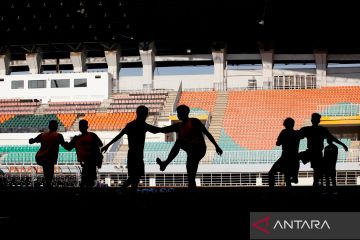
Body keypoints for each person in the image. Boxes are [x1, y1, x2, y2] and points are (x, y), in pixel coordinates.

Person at [156, 104, 223, 189]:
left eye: (179, 113)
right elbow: (162, 130)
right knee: (190, 173)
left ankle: (165, 163)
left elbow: (207, 133)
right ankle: (191, 187)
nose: (177, 115)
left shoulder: (194, 122)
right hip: (190, 150)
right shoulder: (178, 126)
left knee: (180, 144)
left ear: (185, 113)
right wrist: (146, 127)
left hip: (199, 149)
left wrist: (216, 146)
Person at [101, 105, 162, 191]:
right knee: (135, 178)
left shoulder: (130, 125)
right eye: (146, 114)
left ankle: (128, 192)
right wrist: (173, 128)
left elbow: (118, 136)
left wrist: (107, 145)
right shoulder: (143, 126)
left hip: (132, 154)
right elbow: (157, 130)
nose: (146, 116)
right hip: (137, 155)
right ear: (143, 114)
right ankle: (121, 190)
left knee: (135, 178)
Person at [298, 113, 348, 187]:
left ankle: (312, 183)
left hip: (312, 152)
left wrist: (342, 144)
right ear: (319, 121)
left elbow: (297, 135)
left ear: (312, 120)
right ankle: (314, 183)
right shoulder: (321, 130)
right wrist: (342, 144)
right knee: (316, 171)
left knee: (296, 158)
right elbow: (332, 138)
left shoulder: (308, 129)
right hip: (316, 152)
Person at [65, 119, 103, 188]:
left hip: (90, 161)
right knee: (88, 180)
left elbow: (68, 147)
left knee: (85, 180)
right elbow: (100, 144)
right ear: (87, 127)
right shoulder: (92, 135)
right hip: (90, 162)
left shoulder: (77, 139)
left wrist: (62, 142)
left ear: (80, 128)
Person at [29, 120, 67, 188]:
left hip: (40, 157)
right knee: (49, 172)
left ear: (49, 127)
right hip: (49, 158)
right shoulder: (58, 136)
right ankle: (48, 185)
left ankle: (48, 184)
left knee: (47, 172)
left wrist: (31, 140)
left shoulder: (42, 135)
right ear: (57, 127)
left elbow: (32, 141)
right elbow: (66, 146)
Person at [268, 117, 300, 188]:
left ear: (285, 125)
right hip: (294, 158)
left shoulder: (284, 132)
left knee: (271, 173)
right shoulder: (297, 134)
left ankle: (271, 192)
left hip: (285, 157)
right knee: (287, 177)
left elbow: (278, 143)